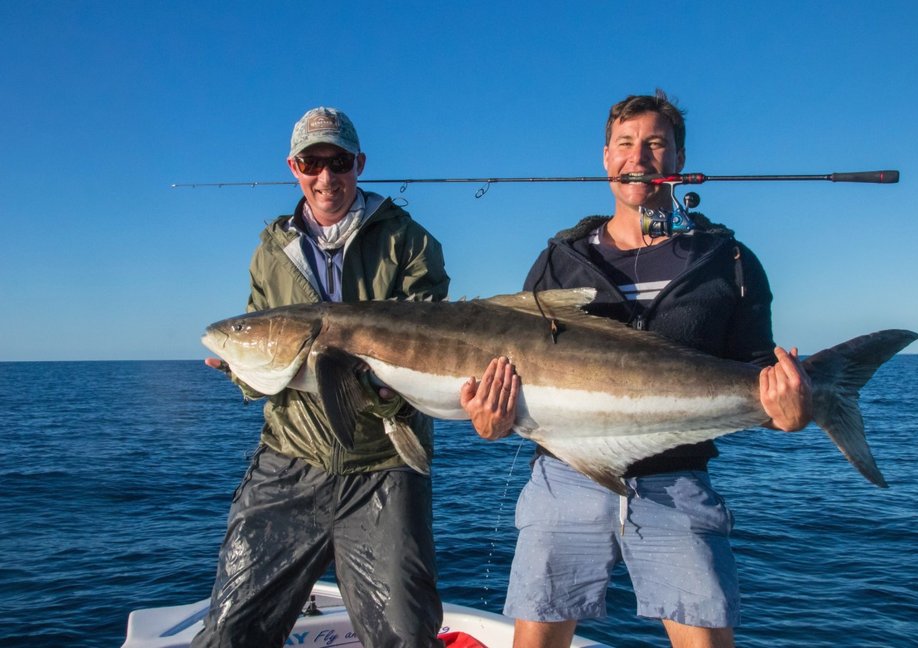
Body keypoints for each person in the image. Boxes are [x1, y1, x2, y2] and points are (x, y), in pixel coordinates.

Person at [460, 90, 812, 648]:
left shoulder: (730, 262)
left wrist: (790, 413)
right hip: (564, 472)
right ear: (605, 158)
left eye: (655, 144)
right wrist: (489, 420)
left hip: (678, 476)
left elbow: (753, 373)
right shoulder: (559, 261)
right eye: (625, 144)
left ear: (678, 158)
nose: (639, 157)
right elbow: (511, 369)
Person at [194, 106, 450, 648]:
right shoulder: (271, 249)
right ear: (293, 166)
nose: (325, 176)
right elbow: (263, 332)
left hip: (382, 461)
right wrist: (243, 372)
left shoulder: (411, 242)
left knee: (404, 633)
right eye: (312, 162)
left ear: (359, 163)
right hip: (291, 458)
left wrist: (378, 391)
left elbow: (431, 338)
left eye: (337, 162)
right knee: (229, 631)